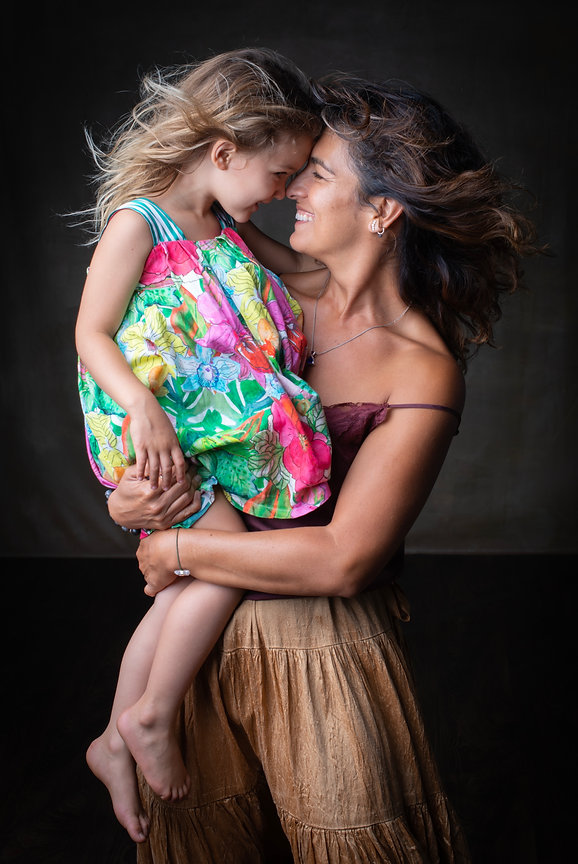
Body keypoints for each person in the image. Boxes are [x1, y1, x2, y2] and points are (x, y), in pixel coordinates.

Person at [108, 73, 542, 863]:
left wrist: (175, 548)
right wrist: (135, 501)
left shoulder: (421, 370)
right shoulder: (249, 288)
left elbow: (347, 560)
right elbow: (167, 415)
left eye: (318, 173)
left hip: (320, 655)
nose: (292, 189)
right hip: (195, 651)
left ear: (383, 211)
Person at [75, 48, 333, 844]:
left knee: (191, 576)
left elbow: (309, 274)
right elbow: (90, 332)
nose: (285, 192)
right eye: (281, 174)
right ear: (224, 153)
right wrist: (140, 409)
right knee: (221, 561)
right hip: (154, 432)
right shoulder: (140, 222)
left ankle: (113, 739)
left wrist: (371, 242)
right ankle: (150, 716)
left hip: (208, 434)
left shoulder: (227, 227)